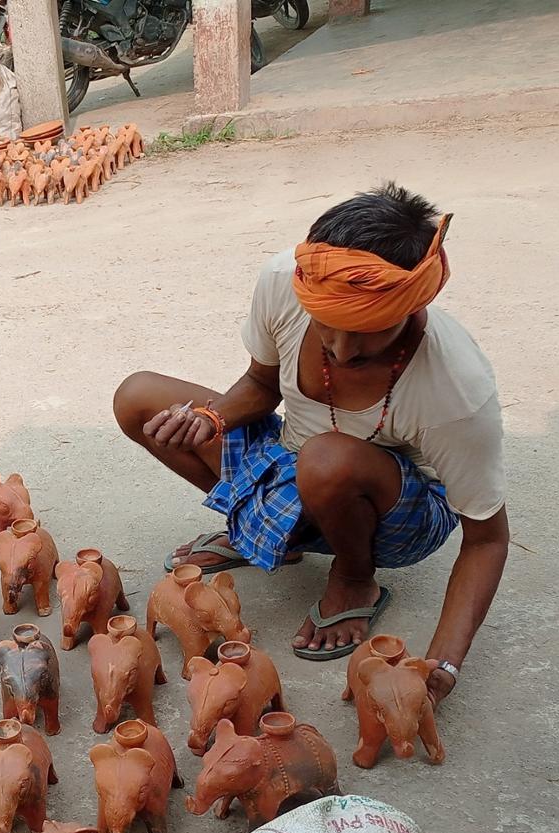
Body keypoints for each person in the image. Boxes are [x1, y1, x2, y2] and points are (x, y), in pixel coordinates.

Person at [110, 183, 506, 703]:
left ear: (412, 306)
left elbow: (487, 539)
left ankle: (355, 577)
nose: (341, 350)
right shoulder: (283, 281)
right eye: (328, 325)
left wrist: (442, 664)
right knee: (139, 398)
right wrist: (211, 418)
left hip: (397, 513)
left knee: (325, 457)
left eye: (366, 332)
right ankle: (269, 534)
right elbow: (260, 385)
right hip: (302, 463)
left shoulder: (456, 391)